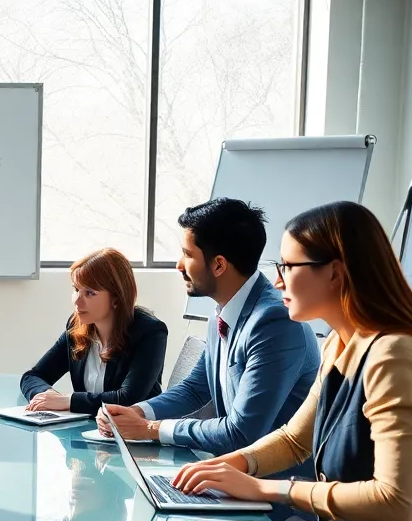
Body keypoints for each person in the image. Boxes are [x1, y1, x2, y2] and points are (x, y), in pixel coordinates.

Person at [170, 201, 412, 521]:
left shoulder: (394, 357)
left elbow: (396, 501)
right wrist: (233, 465)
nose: (277, 281)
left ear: (335, 272)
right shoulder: (341, 343)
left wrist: (267, 488)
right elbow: (295, 439)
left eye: (288, 267)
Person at [99, 199, 319, 476]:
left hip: (276, 496)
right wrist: (138, 413)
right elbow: (195, 388)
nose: (179, 265)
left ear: (218, 265)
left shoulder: (274, 321)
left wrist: (152, 430)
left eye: (187, 255)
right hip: (231, 477)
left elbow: (241, 432)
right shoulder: (226, 309)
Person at [21, 248, 168, 414]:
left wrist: (68, 401)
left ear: (116, 299)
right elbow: (32, 377)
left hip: (134, 434)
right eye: (76, 289)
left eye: (89, 293)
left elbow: (128, 399)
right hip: (87, 430)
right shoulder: (76, 326)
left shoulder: (150, 332)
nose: (77, 301)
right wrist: (47, 396)